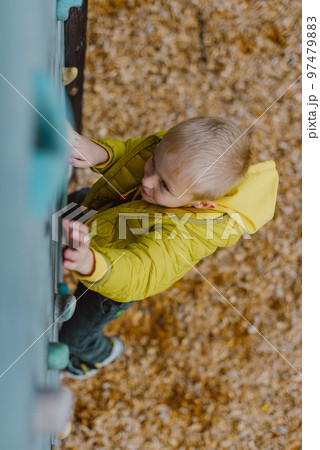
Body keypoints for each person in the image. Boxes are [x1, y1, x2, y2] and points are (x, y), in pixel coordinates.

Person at [59, 116, 279, 379]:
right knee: (74, 206)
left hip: (115, 275)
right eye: (153, 162)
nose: (148, 181)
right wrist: (98, 153)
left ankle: (99, 355)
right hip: (109, 214)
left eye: (164, 185)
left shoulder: (186, 236)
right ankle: (67, 229)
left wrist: (91, 263)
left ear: (202, 204)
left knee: (73, 335)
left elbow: (142, 271)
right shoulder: (173, 161)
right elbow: (131, 157)